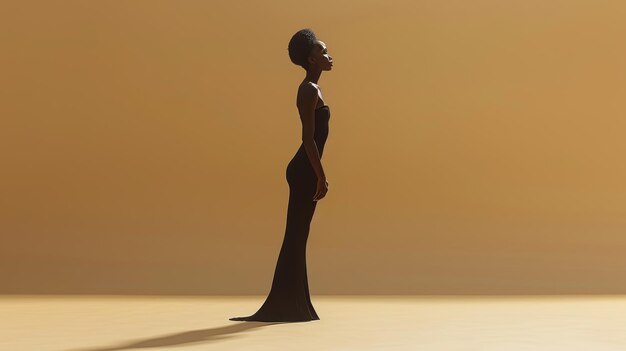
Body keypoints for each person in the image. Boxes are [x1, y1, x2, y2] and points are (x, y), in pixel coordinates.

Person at [229, 28, 333, 322]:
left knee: (299, 236)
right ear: (312, 59)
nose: (329, 56)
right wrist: (321, 176)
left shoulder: (314, 88)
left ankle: (295, 304)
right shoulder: (309, 90)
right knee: (295, 236)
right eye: (323, 52)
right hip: (304, 171)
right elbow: (308, 139)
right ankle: (285, 306)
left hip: (307, 169)